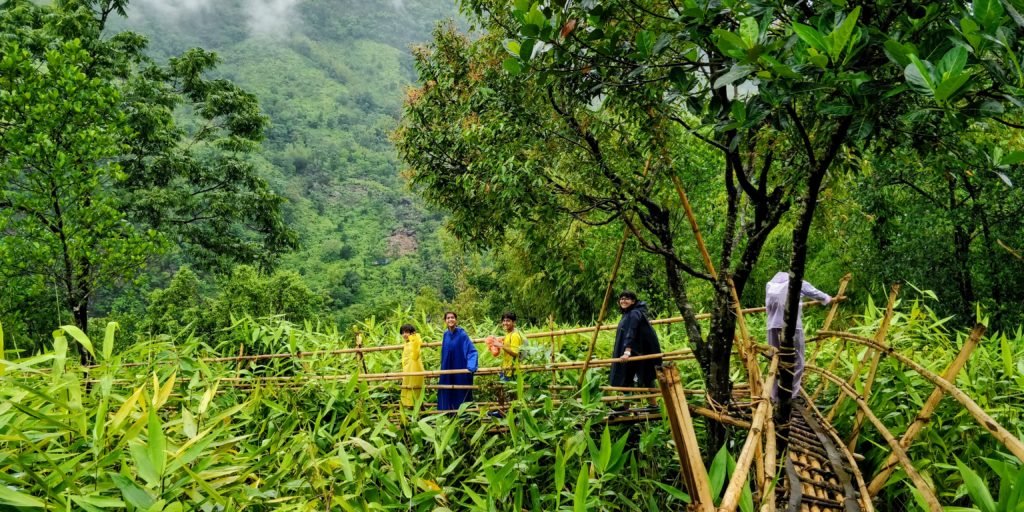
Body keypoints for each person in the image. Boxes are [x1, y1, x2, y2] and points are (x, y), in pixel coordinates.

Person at [764, 271, 832, 401]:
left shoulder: (770, 285)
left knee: (774, 359)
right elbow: (814, 292)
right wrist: (827, 298)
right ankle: (791, 394)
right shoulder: (796, 282)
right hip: (793, 326)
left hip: (772, 326)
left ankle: (774, 395)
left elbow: (768, 308)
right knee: (798, 360)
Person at [609, 291, 663, 390]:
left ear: (633, 301)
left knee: (645, 376)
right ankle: (626, 405)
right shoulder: (628, 313)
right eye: (621, 299)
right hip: (635, 349)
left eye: (626, 299)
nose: (623, 301)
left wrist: (627, 351)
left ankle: (653, 404)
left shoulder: (634, 313)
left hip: (639, 350)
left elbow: (632, 331)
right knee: (627, 377)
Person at [438, 311, 479, 410]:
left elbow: (471, 350)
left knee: (460, 390)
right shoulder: (445, 334)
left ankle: (463, 414)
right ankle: (448, 413)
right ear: (445, 321)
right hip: (447, 367)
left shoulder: (462, 335)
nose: (450, 319)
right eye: (448, 318)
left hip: (459, 365)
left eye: (452, 317)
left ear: (456, 320)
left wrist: (471, 366)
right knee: (446, 389)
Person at [489, 311, 522, 381]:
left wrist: (501, 346)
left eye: (508, 321)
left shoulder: (514, 335)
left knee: (510, 391)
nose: (505, 323)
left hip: (512, 371)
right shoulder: (508, 334)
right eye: (503, 321)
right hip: (506, 370)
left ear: (514, 322)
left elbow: (516, 354)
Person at [400, 324, 424, 407]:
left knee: (414, 388)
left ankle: (414, 408)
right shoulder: (407, 343)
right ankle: (411, 408)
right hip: (408, 368)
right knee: (409, 388)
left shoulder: (414, 341)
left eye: (406, 332)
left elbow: (415, 355)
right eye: (402, 333)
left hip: (414, 368)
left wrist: (414, 337)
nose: (404, 335)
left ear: (412, 333)